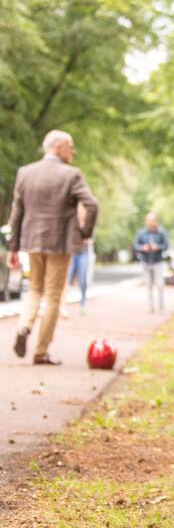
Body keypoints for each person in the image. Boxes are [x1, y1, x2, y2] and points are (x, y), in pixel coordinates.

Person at [7, 130, 99, 365]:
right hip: (60, 242)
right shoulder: (71, 175)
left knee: (34, 289)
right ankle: (40, 351)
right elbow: (92, 204)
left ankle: (24, 326)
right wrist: (84, 234)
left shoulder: (25, 173)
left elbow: (17, 213)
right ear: (59, 147)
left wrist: (12, 248)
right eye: (71, 147)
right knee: (54, 296)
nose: (73, 152)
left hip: (32, 241)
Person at [61, 204, 92, 317]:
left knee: (82, 279)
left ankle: (83, 303)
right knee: (67, 279)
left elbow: (88, 240)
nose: (79, 213)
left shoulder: (88, 224)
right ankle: (63, 306)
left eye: (81, 211)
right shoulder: (71, 223)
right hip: (72, 252)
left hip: (83, 252)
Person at [134, 212, 169, 314]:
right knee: (148, 285)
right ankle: (151, 307)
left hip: (158, 261)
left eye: (152, 220)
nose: (150, 222)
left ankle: (161, 307)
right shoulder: (141, 233)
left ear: (155, 221)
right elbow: (135, 244)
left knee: (160, 284)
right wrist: (142, 248)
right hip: (145, 261)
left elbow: (166, 245)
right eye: (148, 220)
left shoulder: (161, 232)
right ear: (146, 221)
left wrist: (157, 247)